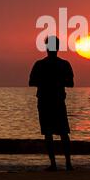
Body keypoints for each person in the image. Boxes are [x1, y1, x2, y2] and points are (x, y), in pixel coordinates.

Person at [29, 36, 74, 171]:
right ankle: (66, 164)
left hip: (49, 101)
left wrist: (48, 81)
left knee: (53, 133)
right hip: (53, 101)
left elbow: (32, 82)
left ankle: (57, 164)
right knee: (61, 133)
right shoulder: (62, 64)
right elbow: (70, 83)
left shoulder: (41, 64)